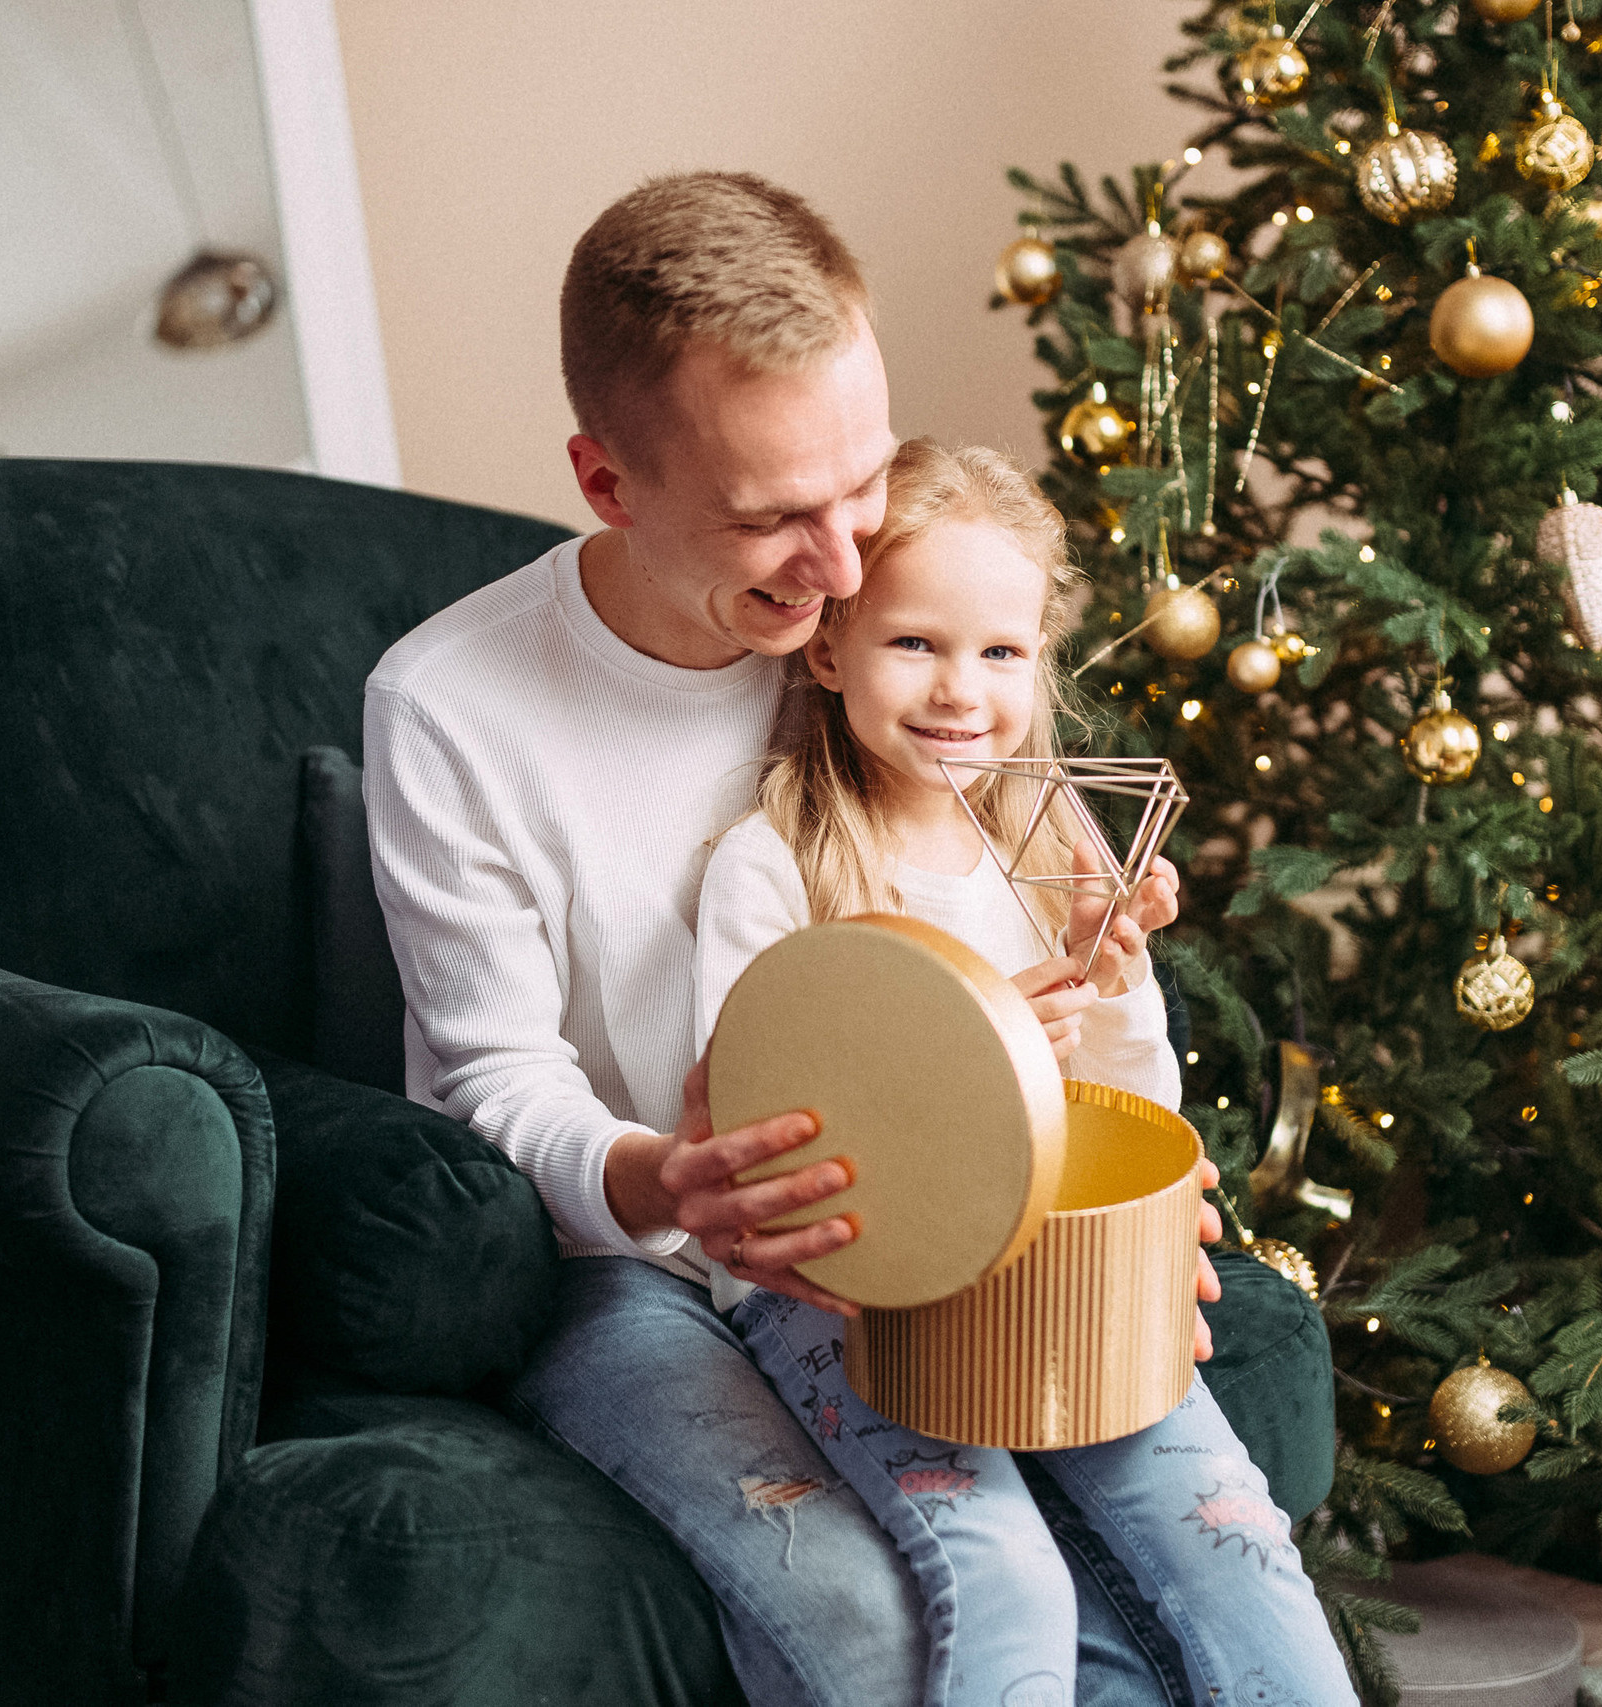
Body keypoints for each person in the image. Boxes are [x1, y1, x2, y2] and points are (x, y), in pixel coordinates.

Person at [364, 171, 1235, 1705]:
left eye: (859, 484)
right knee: (889, 1620)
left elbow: (1073, 962)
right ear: (608, 480)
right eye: (770, 518)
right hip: (630, 1266)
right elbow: (490, 1075)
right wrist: (666, 1177)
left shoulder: (911, 639)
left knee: (1139, 1581)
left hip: (939, 1224)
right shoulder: (448, 706)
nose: (841, 567)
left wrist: (1133, 1195)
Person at [693, 439, 1355, 1707]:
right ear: (827, 651)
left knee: (1235, 1540)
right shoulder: (772, 862)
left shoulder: (1056, 842)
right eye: (913, 645)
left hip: (1062, 1277)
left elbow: (1132, 1107)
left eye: (999, 653)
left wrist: (1107, 978)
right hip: (851, 1296)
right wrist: (980, 1046)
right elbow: (759, 1138)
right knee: (1003, 1574)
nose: (960, 691)